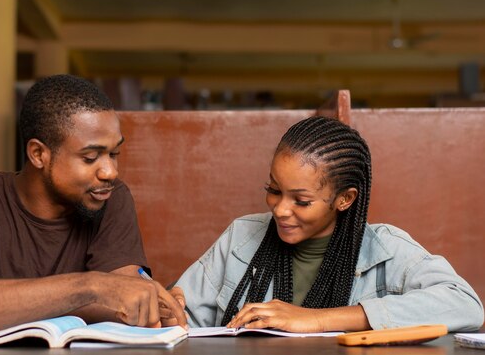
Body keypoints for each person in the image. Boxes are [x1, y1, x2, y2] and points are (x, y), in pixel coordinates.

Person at [0, 74, 186, 339]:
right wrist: (92, 286)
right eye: (91, 157)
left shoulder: (110, 197)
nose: (110, 172)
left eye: (114, 154)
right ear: (39, 154)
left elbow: (126, 309)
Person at [168, 116, 484, 332]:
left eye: (301, 201)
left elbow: (466, 306)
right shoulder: (242, 236)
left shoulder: (384, 249)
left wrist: (316, 320)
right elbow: (184, 317)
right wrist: (169, 312)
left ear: (344, 199)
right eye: (274, 191)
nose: (280, 209)